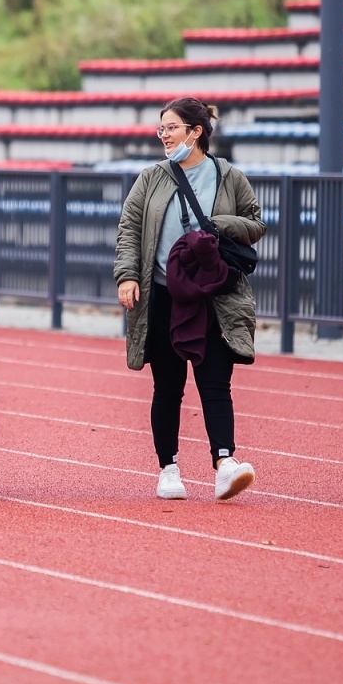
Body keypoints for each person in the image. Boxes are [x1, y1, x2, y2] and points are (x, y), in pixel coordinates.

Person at [113, 98, 264, 502]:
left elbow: (256, 223)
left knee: (216, 381)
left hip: (213, 296)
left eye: (172, 127)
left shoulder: (229, 176)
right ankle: (168, 468)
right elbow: (129, 228)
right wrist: (127, 275)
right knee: (168, 385)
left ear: (195, 132)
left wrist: (218, 226)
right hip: (162, 293)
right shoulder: (150, 178)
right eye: (161, 128)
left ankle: (225, 464)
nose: (164, 135)